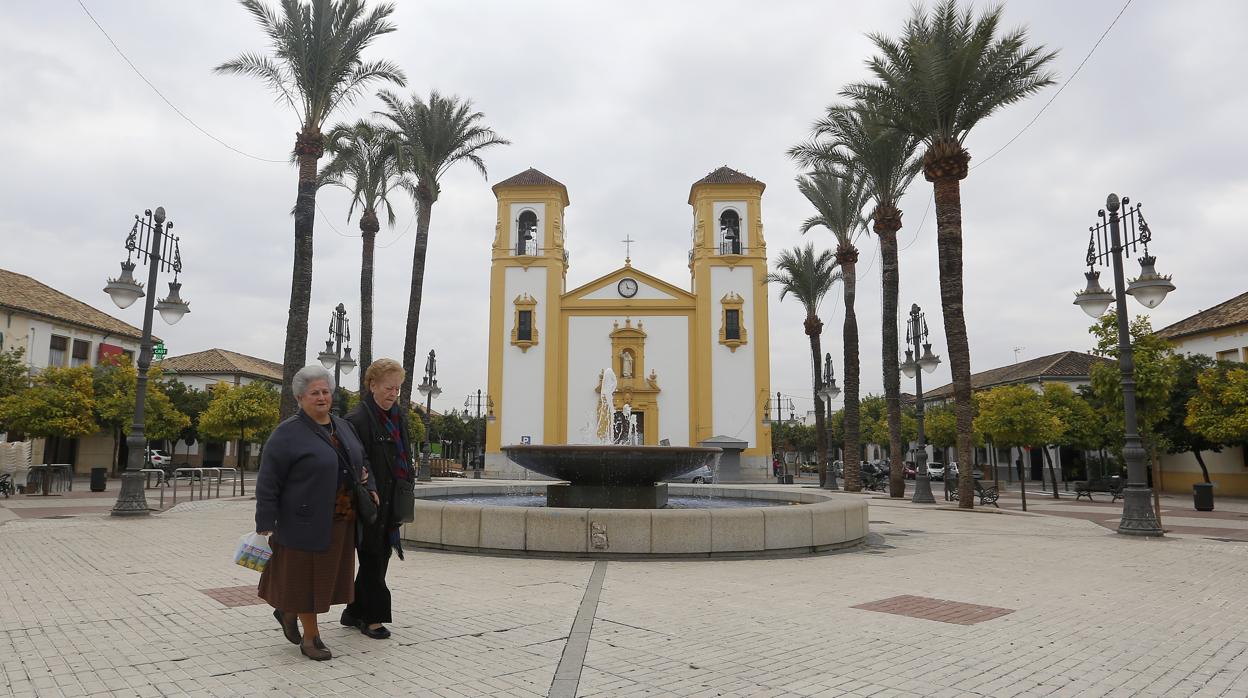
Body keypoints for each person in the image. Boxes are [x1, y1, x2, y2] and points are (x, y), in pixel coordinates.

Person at [255, 365, 376, 661]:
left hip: (341, 519)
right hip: (302, 521)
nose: (322, 397)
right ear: (300, 397)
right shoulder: (287, 433)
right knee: (307, 581)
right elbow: (268, 479)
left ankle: (288, 610)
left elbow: (363, 460)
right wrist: (265, 523)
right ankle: (311, 637)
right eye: (315, 393)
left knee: (323, 580)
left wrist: (369, 485)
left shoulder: (342, 426)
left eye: (325, 392)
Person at [341, 358, 414, 640]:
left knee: (378, 557)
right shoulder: (357, 420)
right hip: (369, 502)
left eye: (397, 388)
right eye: (388, 387)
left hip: (392, 501)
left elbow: (404, 457)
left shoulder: (397, 417)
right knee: (373, 558)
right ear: (372, 385)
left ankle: (353, 611)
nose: (393, 394)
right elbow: (356, 461)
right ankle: (372, 618)